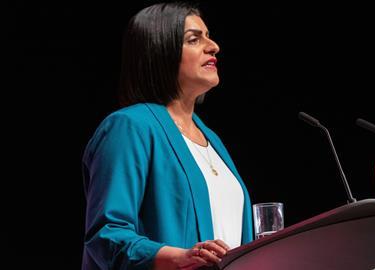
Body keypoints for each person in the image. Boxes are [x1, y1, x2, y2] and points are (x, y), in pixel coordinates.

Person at [81, 2, 253, 269]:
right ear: (160, 50)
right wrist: (179, 257)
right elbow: (107, 235)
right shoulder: (130, 126)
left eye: (209, 36)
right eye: (194, 39)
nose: (213, 46)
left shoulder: (213, 141)